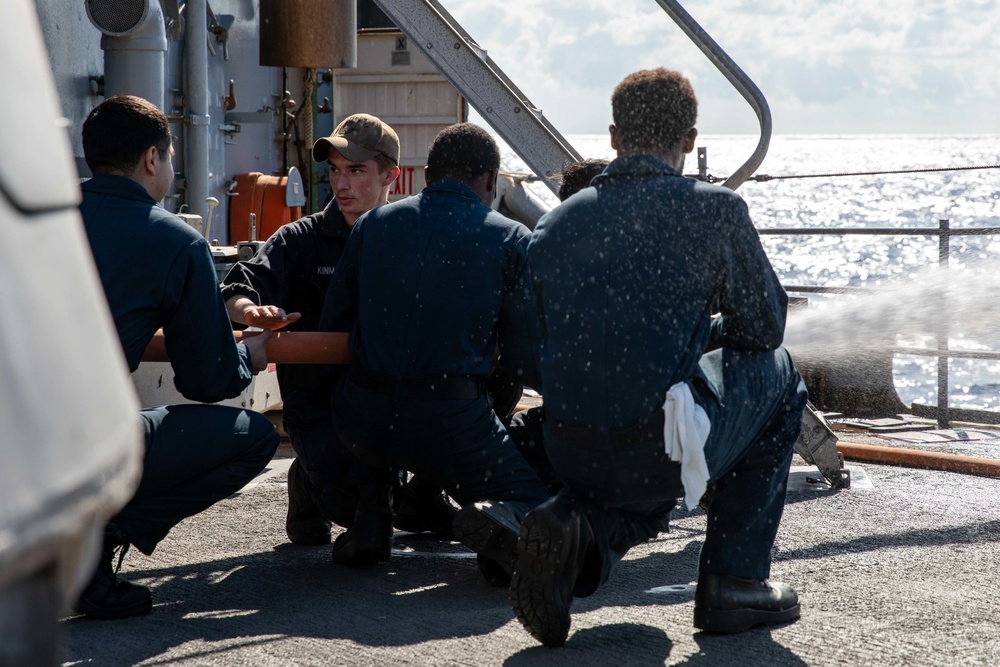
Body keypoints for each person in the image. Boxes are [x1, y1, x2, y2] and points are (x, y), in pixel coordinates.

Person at [511, 68, 808, 646]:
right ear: (691, 139)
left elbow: (530, 355)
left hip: (568, 450)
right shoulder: (714, 210)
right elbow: (764, 330)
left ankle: (577, 525)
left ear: (615, 137)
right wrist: (707, 330)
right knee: (783, 378)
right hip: (653, 448)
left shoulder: (554, 222)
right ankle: (735, 580)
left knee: (640, 434)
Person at [74, 95, 280, 619]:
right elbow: (207, 379)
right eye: (169, 157)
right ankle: (90, 547)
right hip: (77, 452)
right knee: (252, 438)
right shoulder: (174, 242)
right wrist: (249, 355)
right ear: (151, 159)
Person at [318, 122, 551, 579]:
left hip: (360, 423)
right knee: (540, 510)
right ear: (489, 181)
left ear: (427, 176)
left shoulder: (371, 225)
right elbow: (523, 360)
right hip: (450, 426)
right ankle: (502, 529)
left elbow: (335, 326)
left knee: (382, 397)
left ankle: (372, 515)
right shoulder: (510, 238)